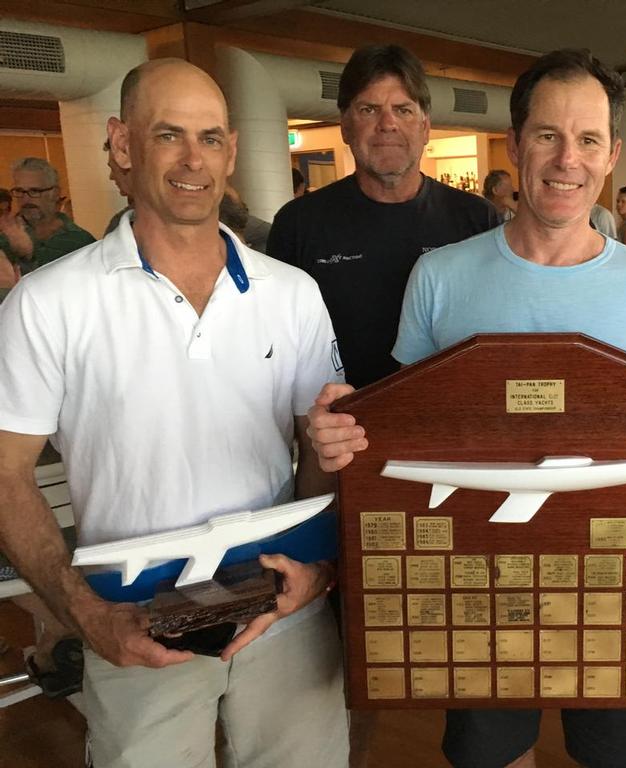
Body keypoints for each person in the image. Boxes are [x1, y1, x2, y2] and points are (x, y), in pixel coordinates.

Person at [307, 48, 626, 768]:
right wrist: (342, 434)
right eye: (547, 135)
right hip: (480, 581)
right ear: (515, 145)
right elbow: (405, 433)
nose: (565, 160)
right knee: (490, 755)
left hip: (618, 577)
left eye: (586, 140)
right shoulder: (440, 276)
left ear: (612, 154)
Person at [0, 58, 365, 768]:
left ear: (231, 149)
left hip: (282, 614)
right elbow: (6, 473)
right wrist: (85, 615)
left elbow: (319, 448)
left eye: (210, 137)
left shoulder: (291, 294)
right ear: (123, 144)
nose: (193, 159)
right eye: (169, 135)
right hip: (131, 620)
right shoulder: (47, 303)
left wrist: (316, 569)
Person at [268, 44, 500, 390]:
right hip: (341, 428)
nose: (387, 124)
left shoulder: (477, 220)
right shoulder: (299, 224)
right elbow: (280, 345)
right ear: (345, 126)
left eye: (403, 110)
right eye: (369, 109)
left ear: (425, 127)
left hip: (449, 426)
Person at [0, 157, 95, 274]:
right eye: (19, 191)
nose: (25, 198)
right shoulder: (5, 238)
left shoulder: (81, 241)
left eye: (35, 191)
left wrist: (28, 255)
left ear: (55, 193)